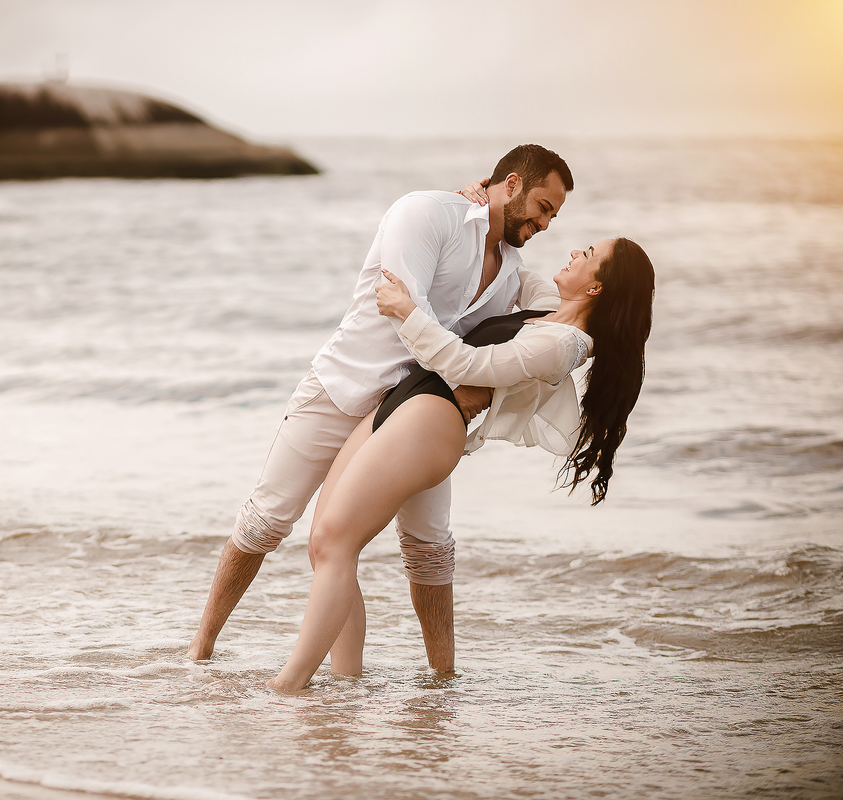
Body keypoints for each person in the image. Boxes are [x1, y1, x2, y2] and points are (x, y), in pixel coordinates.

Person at [187, 144, 575, 673]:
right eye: (544, 207)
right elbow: (398, 304)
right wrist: (464, 371)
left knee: (430, 547)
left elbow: (571, 308)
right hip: (344, 388)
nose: (548, 223)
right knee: (267, 521)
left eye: (555, 214)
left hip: (414, 412)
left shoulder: (512, 270)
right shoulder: (426, 214)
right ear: (510, 185)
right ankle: (200, 650)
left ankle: (442, 679)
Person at [267, 236, 656, 692]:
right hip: (404, 399)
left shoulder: (565, 344)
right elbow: (513, 266)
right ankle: (346, 683)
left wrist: (404, 311)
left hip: (434, 416)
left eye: (588, 255)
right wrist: (483, 214)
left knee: (336, 539)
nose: (574, 252)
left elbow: (468, 364)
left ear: (596, 288)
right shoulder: (552, 309)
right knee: (323, 544)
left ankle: (290, 684)